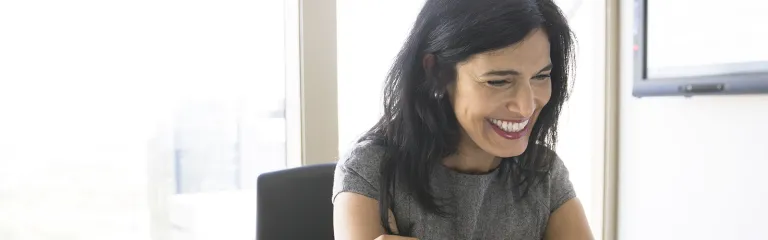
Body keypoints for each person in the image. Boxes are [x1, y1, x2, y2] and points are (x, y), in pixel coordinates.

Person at [332, 0, 592, 239]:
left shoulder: (542, 172)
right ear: (436, 73)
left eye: (540, 76)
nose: (525, 106)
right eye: (498, 81)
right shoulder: (371, 170)